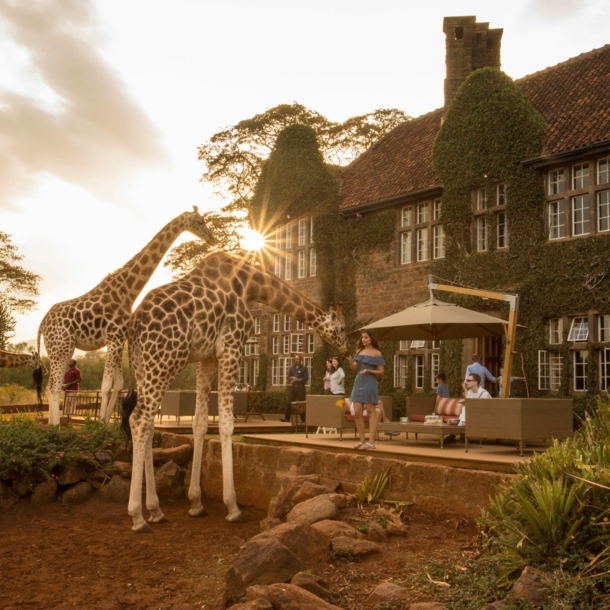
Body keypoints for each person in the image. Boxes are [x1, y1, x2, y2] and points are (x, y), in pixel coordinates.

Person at [347, 329, 385, 450]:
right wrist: (349, 360)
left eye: (366, 338)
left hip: (370, 383)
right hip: (358, 383)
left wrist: (369, 370)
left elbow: (381, 371)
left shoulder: (377, 353)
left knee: (370, 412)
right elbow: (354, 368)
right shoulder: (359, 351)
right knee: (357, 413)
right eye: (362, 338)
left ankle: (371, 442)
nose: (363, 340)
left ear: (371, 339)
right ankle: (362, 440)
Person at [282, 355, 309, 422]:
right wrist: (292, 378)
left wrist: (297, 379)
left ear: (301, 360)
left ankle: (303, 420)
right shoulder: (292, 368)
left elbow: (306, 378)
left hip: (301, 388)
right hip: (293, 388)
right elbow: (288, 377)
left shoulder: (304, 368)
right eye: (296, 359)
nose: (298, 360)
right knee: (289, 403)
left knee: (301, 404)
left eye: (299, 359)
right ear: (294, 360)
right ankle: (287, 418)